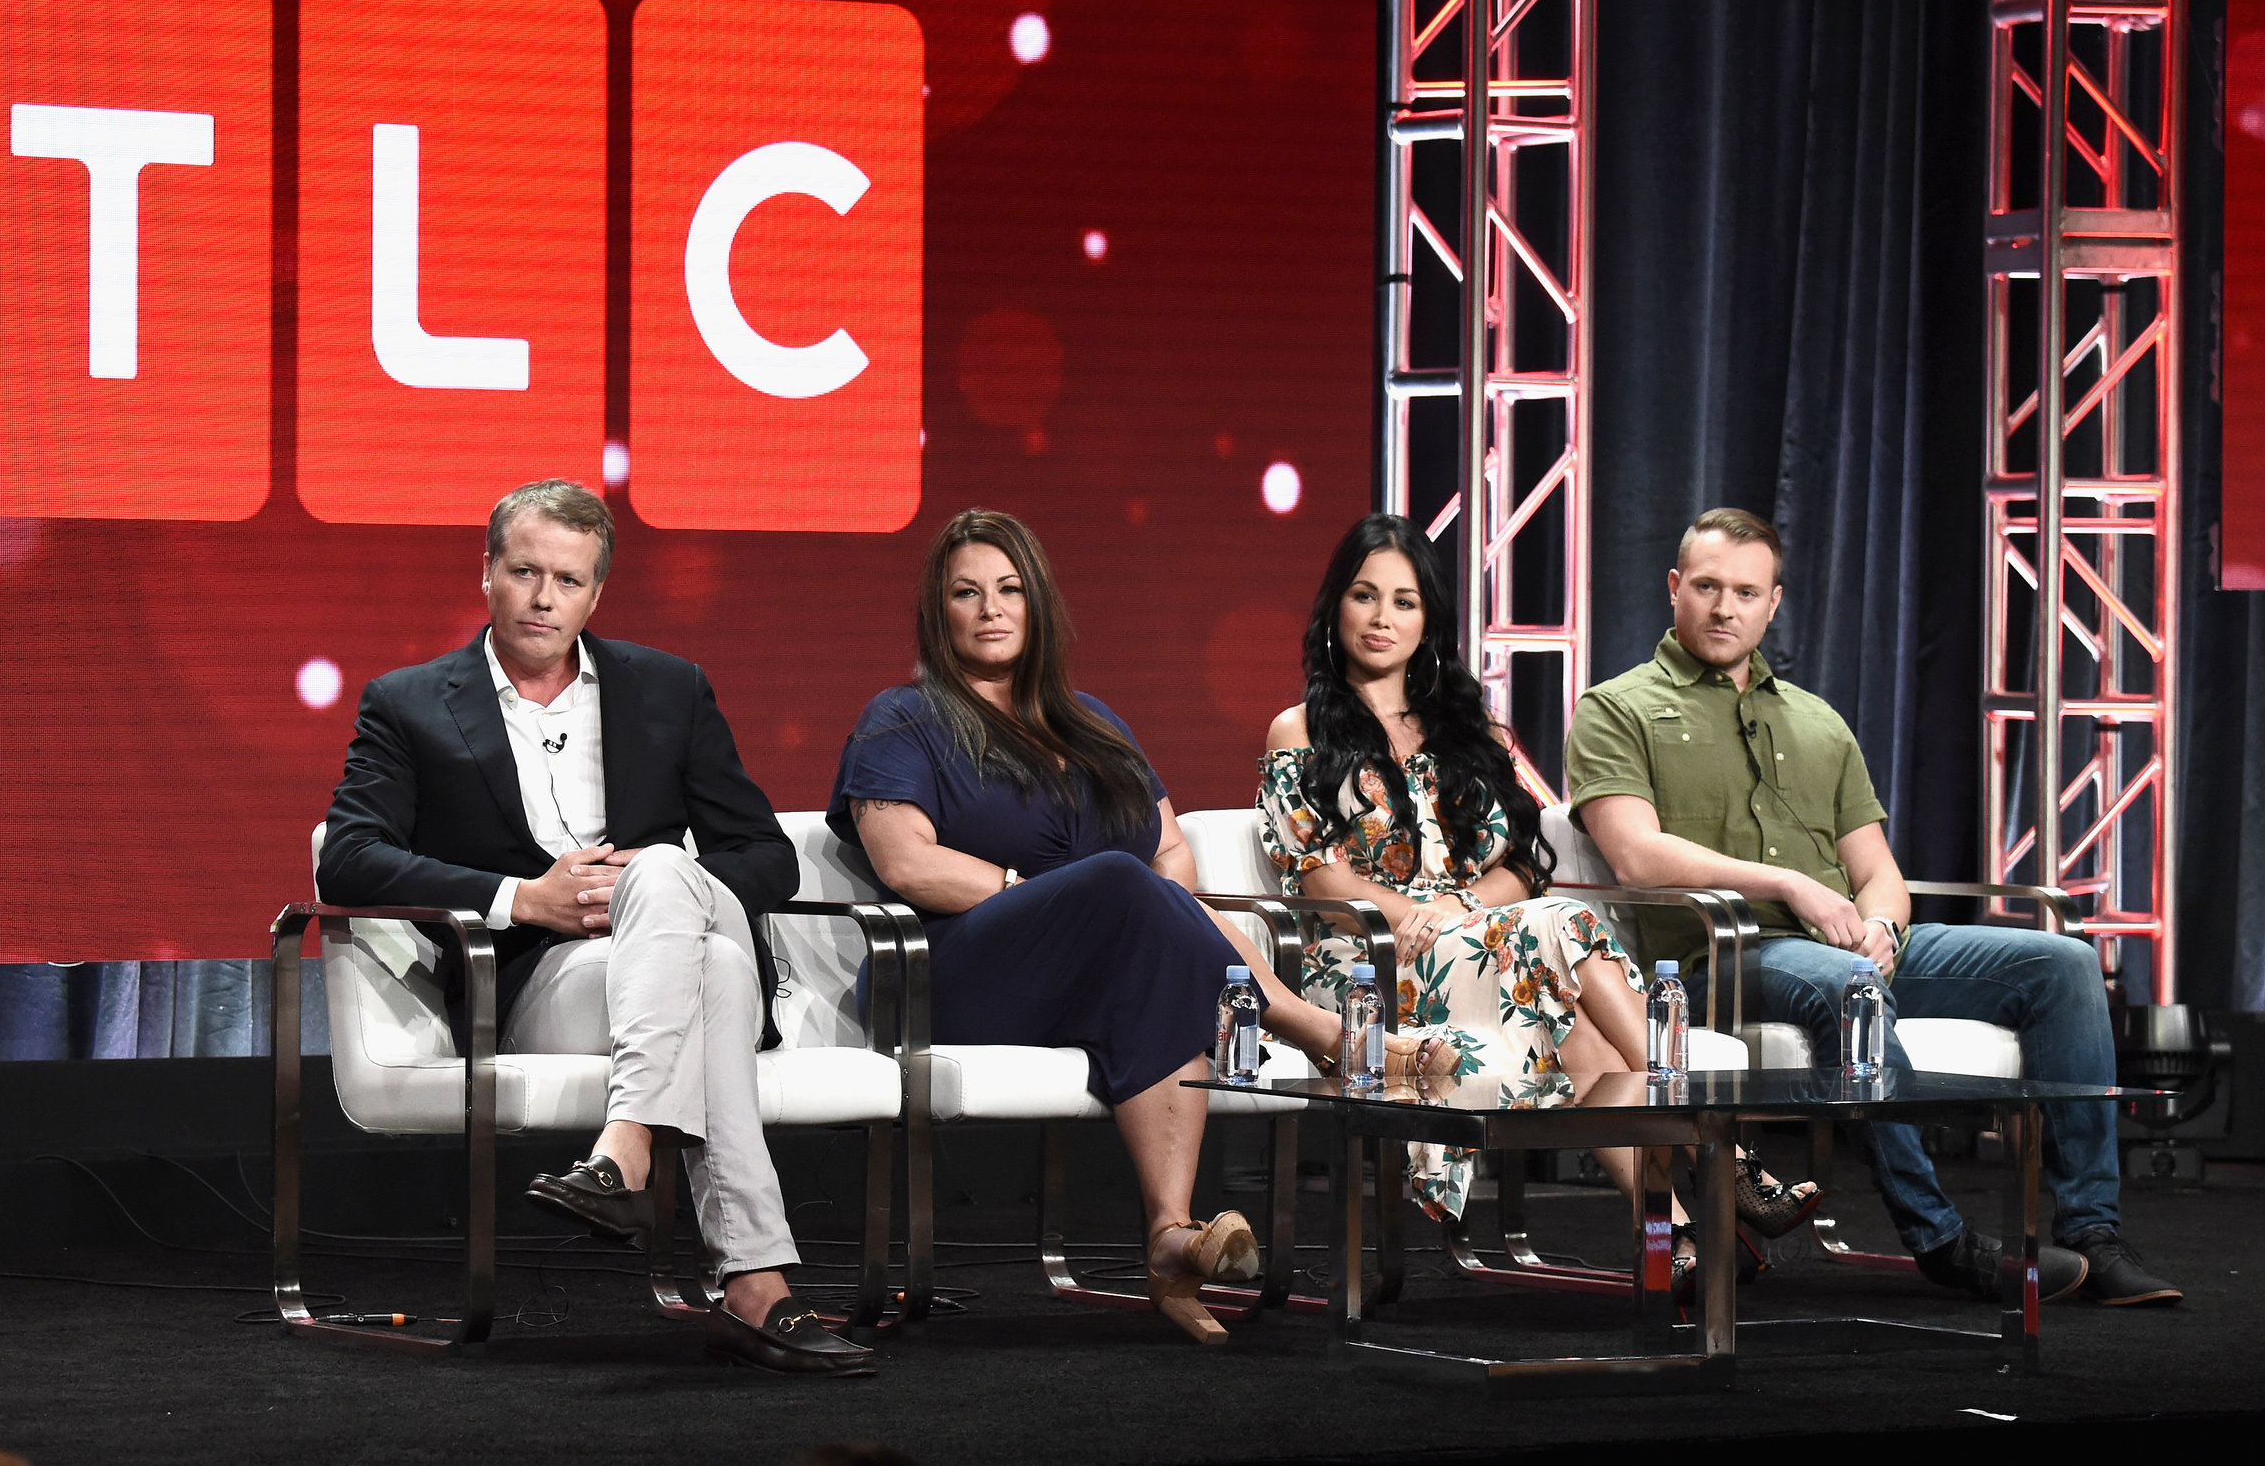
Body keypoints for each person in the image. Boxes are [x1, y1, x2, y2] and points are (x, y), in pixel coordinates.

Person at [830, 509, 1445, 1345]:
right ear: (938, 612)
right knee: (1121, 885)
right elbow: (906, 863)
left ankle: (1170, 1239)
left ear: (1039, 603)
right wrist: (1049, 898)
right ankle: (1324, 1035)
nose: (991, 608)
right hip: (948, 976)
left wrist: (1136, 914)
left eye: (1009, 589)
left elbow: (1172, 849)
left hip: (1086, 977)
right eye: (966, 593)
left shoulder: (1092, 722)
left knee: (1156, 959)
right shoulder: (902, 719)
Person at [317, 479, 876, 1375]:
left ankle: (625, 1154)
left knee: (662, 874)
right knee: (714, 972)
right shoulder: (409, 703)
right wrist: (522, 897)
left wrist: (656, 886)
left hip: (668, 948)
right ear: (487, 573)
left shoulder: (668, 689)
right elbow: (347, 857)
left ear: (596, 592)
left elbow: (764, 856)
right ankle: (754, 1285)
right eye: (525, 572)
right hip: (540, 984)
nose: (544, 598)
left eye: (568, 580)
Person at [1565, 506, 2182, 1308]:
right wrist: (1788, 884)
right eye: (1708, 587)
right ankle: (1941, 1239)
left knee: (2061, 963)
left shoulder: (1815, 720)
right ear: (1675, 587)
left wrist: (1885, 925)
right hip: (1722, 956)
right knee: (1845, 983)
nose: (1724, 608)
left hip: (1845, 943)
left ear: (1773, 603)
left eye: (1746, 593)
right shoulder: (1617, 707)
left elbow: (1877, 871)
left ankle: (2093, 1231)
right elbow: (1635, 854)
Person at [1257, 514, 1819, 1291]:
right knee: (1561, 935)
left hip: (1481, 945)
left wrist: (1458, 907)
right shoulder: (1298, 730)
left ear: (1429, 620)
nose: (1383, 618)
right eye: (1365, 596)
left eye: (1405, 602)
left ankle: (1675, 1238)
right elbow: (1319, 879)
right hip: (1368, 964)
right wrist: (1419, 915)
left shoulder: (1468, 731)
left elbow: (1523, 865)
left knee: (1575, 1019)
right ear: (1336, 607)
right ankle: (1728, 1161)